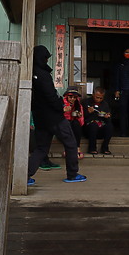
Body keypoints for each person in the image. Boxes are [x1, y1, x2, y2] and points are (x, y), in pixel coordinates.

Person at [27, 45, 87, 185]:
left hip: (40, 118)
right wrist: (61, 107)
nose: (47, 60)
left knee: (41, 148)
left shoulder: (30, 74)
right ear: (42, 58)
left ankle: (25, 176)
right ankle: (72, 174)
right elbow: (51, 96)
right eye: (46, 57)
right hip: (54, 118)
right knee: (71, 144)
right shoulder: (43, 75)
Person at [82, 86, 113, 155]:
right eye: (97, 97)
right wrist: (88, 112)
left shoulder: (105, 104)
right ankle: (92, 148)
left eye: (101, 98)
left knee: (109, 126)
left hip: (100, 128)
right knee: (93, 125)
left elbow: (108, 118)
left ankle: (105, 147)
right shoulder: (86, 102)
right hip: (89, 128)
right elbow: (81, 117)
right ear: (93, 94)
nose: (98, 99)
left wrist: (107, 116)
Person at [62, 86, 85, 160]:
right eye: (70, 97)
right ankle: (67, 148)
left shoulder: (78, 105)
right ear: (67, 96)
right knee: (67, 124)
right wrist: (64, 110)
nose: (72, 99)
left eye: (74, 97)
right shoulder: (62, 103)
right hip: (63, 126)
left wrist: (79, 115)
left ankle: (77, 147)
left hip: (74, 126)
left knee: (76, 124)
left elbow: (81, 123)